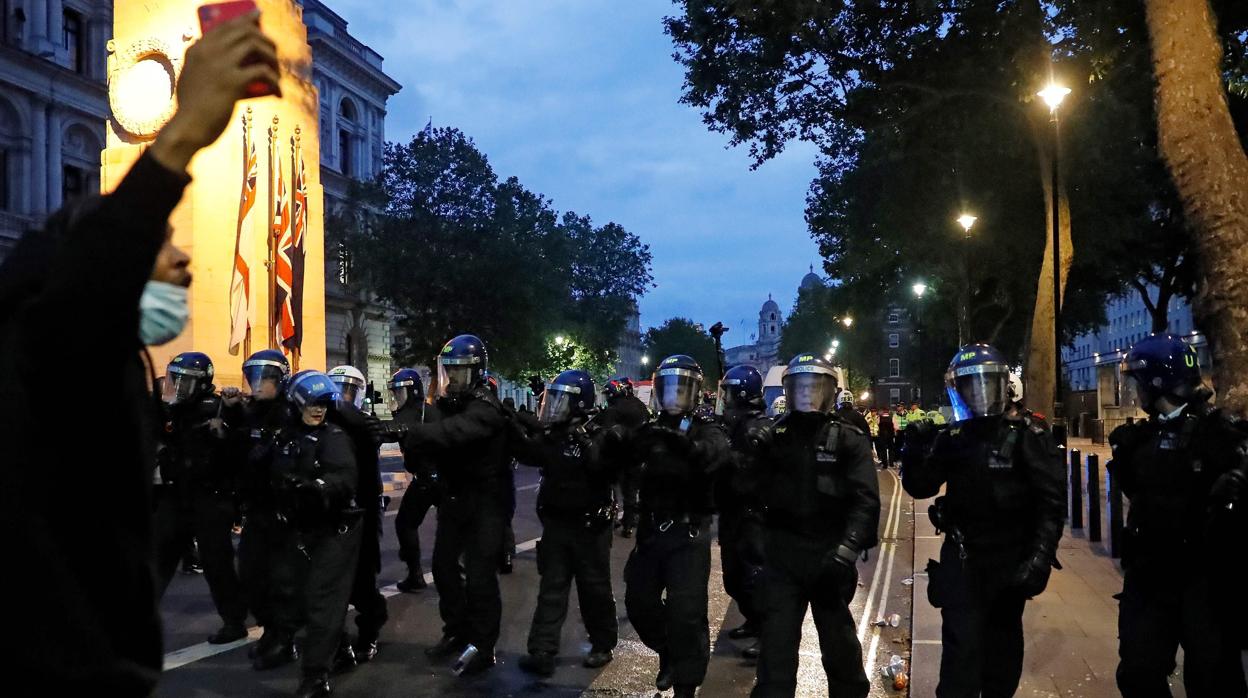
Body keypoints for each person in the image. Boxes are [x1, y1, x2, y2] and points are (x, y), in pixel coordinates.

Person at [0, 11, 279, 692]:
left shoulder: (105, 362)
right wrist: (179, 140)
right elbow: (83, 296)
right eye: (159, 247)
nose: (183, 260)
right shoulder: (52, 347)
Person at [902, 344, 1065, 698]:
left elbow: (1050, 504)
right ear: (958, 391)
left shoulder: (1028, 437)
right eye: (970, 387)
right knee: (959, 659)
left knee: (1002, 656)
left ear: (1002, 386)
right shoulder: (955, 438)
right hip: (963, 559)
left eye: (985, 385)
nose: (979, 394)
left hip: (1009, 561)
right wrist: (913, 451)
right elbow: (921, 486)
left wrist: (1039, 560)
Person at [1108, 335, 1248, 697]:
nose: (1134, 391)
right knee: (1138, 670)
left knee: (1213, 677)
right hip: (1151, 574)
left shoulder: (1217, 432)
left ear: (1157, 381)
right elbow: (1136, 491)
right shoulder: (1139, 437)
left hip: (1203, 577)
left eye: (1138, 382)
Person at [748, 353, 880, 697]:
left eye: (815, 388)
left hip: (828, 555)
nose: (807, 396)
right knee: (775, 652)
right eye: (800, 388)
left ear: (830, 392)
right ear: (789, 391)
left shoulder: (848, 438)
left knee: (840, 650)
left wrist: (846, 551)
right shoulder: (775, 436)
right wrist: (749, 453)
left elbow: (865, 500)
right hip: (784, 555)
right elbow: (746, 493)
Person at [609, 354, 730, 698]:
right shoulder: (650, 430)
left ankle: (685, 684)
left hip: (688, 531)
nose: (675, 396)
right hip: (651, 532)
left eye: (683, 389)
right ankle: (669, 650)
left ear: (694, 392)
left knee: (687, 614)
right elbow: (621, 462)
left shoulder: (707, 427)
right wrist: (613, 438)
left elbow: (715, 454)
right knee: (638, 602)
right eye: (670, 388)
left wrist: (687, 446)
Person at [404, 334, 511, 675]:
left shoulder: (485, 405)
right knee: (444, 568)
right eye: (449, 372)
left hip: (486, 503)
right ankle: (457, 631)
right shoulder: (453, 402)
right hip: (456, 499)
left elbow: (457, 431)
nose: (453, 379)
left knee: (480, 576)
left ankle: (483, 645)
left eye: (460, 372)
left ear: (477, 372)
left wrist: (415, 432)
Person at [514, 370, 619, 676]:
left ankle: (602, 644)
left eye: (562, 401)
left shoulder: (599, 432)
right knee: (552, 587)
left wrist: (584, 441)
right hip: (557, 523)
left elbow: (604, 468)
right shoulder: (555, 434)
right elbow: (531, 453)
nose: (555, 406)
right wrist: (512, 424)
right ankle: (543, 650)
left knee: (594, 589)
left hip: (590, 526)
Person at [268, 371, 361, 698]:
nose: (318, 410)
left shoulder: (333, 437)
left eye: (323, 404)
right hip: (302, 528)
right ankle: (340, 649)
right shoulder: (286, 437)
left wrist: (319, 488)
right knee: (295, 594)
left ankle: (315, 677)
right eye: (311, 405)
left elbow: (345, 475)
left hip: (336, 528)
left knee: (322, 599)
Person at [154, 352, 247, 644]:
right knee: (158, 559)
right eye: (175, 379)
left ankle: (234, 621)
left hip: (210, 497)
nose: (178, 386)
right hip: (176, 494)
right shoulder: (169, 409)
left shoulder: (217, 408)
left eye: (184, 381)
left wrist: (231, 414)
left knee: (216, 561)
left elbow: (237, 442)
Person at [229, 349, 301, 670]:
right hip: (257, 509)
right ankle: (271, 629)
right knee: (251, 576)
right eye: (253, 377)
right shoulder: (249, 413)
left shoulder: (291, 413)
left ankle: (285, 640)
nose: (257, 385)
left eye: (265, 378)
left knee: (284, 580)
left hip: (283, 511)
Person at [326, 365, 388, 666]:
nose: (344, 395)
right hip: (333, 508)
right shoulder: (325, 419)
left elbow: (367, 431)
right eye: (338, 388)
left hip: (364, 509)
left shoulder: (365, 422)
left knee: (363, 579)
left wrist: (333, 404)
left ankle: (368, 634)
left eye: (349, 389)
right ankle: (337, 644)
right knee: (329, 581)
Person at [714, 365, 771, 660]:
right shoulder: (733, 423)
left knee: (755, 574)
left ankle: (766, 632)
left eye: (730, 393)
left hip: (752, 512)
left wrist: (732, 458)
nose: (726, 399)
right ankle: (752, 619)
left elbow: (753, 467)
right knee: (733, 577)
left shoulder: (757, 426)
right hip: (731, 510)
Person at [386, 368, 438, 593]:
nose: (397, 398)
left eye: (399, 392)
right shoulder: (432, 411)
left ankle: (416, 574)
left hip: (426, 480)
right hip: (443, 478)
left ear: (411, 390)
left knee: (405, 523)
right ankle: (457, 566)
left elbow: (386, 432)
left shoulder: (408, 414)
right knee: (450, 525)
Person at [598, 377, 650, 537]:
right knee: (630, 493)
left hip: (618, 455)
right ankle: (628, 524)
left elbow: (605, 431)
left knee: (609, 487)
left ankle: (610, 517)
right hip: (637, 455)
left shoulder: (614, 409)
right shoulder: (640, 405)